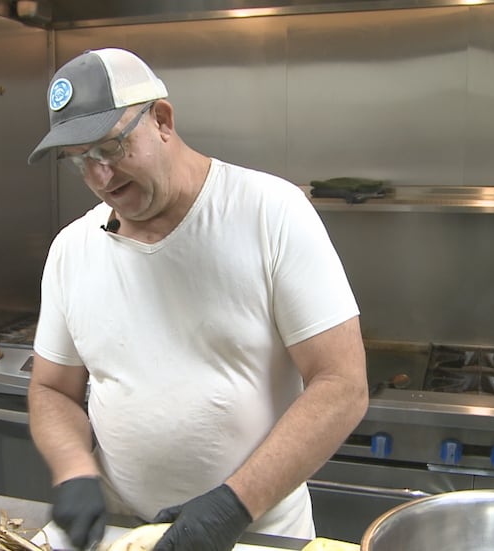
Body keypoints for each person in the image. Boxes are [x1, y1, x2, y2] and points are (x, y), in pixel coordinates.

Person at [26, 47, 368, 551]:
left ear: (161, 119)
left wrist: (232, 506)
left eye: (110, 149)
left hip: (254, 533)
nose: (101, 177)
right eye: (79, 161)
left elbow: (343, 385)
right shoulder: (71, 250)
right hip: (123, 534)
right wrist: (74, 470)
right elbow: (52, 390)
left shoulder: (270, 213)